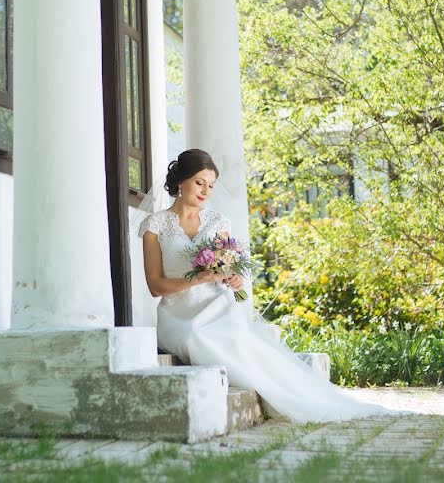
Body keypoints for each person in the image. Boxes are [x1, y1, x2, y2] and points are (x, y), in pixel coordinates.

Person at [135, 148, 407, 422]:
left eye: (211, 185)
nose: (206, 191)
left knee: (242, 339)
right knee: (196, 334)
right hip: (178, 316)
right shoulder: (155, 225)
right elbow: (155, 286)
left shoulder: (217, 222)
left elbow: (232, 272)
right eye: (199, 182)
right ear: (181, 179)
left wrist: (234, 277)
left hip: (218, 306)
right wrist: (199, 277)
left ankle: (296, 394)